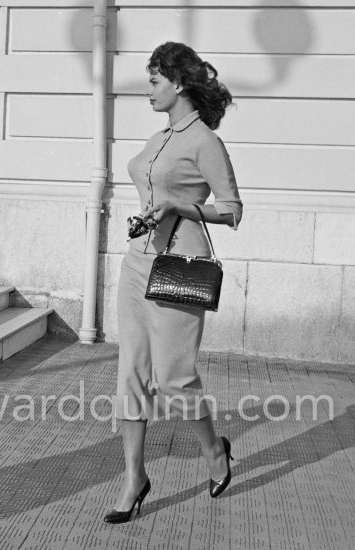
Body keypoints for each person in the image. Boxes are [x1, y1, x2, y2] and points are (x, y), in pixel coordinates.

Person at [104, 42, 243, 524]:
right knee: (131, 375)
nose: (148, 89)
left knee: (175, 380)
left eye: (155, 81)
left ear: (179, 83)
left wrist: (181, 207)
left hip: (179, 266)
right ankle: (133, 478)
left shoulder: (204, 141)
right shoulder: (159, 135)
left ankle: (215, 454)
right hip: (137, 264)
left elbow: (232, 210)